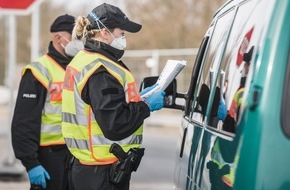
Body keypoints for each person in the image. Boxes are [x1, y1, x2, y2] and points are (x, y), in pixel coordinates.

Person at [61, 3, 165, 190]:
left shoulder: (85, 59)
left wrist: (135, 99)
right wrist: (146, 106)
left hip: (87, 167)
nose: (124, 38)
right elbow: (115, 124)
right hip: (101, 173)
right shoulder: (101, 70)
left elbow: (100, 107)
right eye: (121, 33)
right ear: (104, 32)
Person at [11, 14, 83, 190]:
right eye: (76, 37)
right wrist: (31, 163)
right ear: (59, 38)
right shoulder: (38, 72)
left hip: (77, 156)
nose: (80, 42)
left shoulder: (80, 69)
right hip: (49, 158)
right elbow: (23, 122)